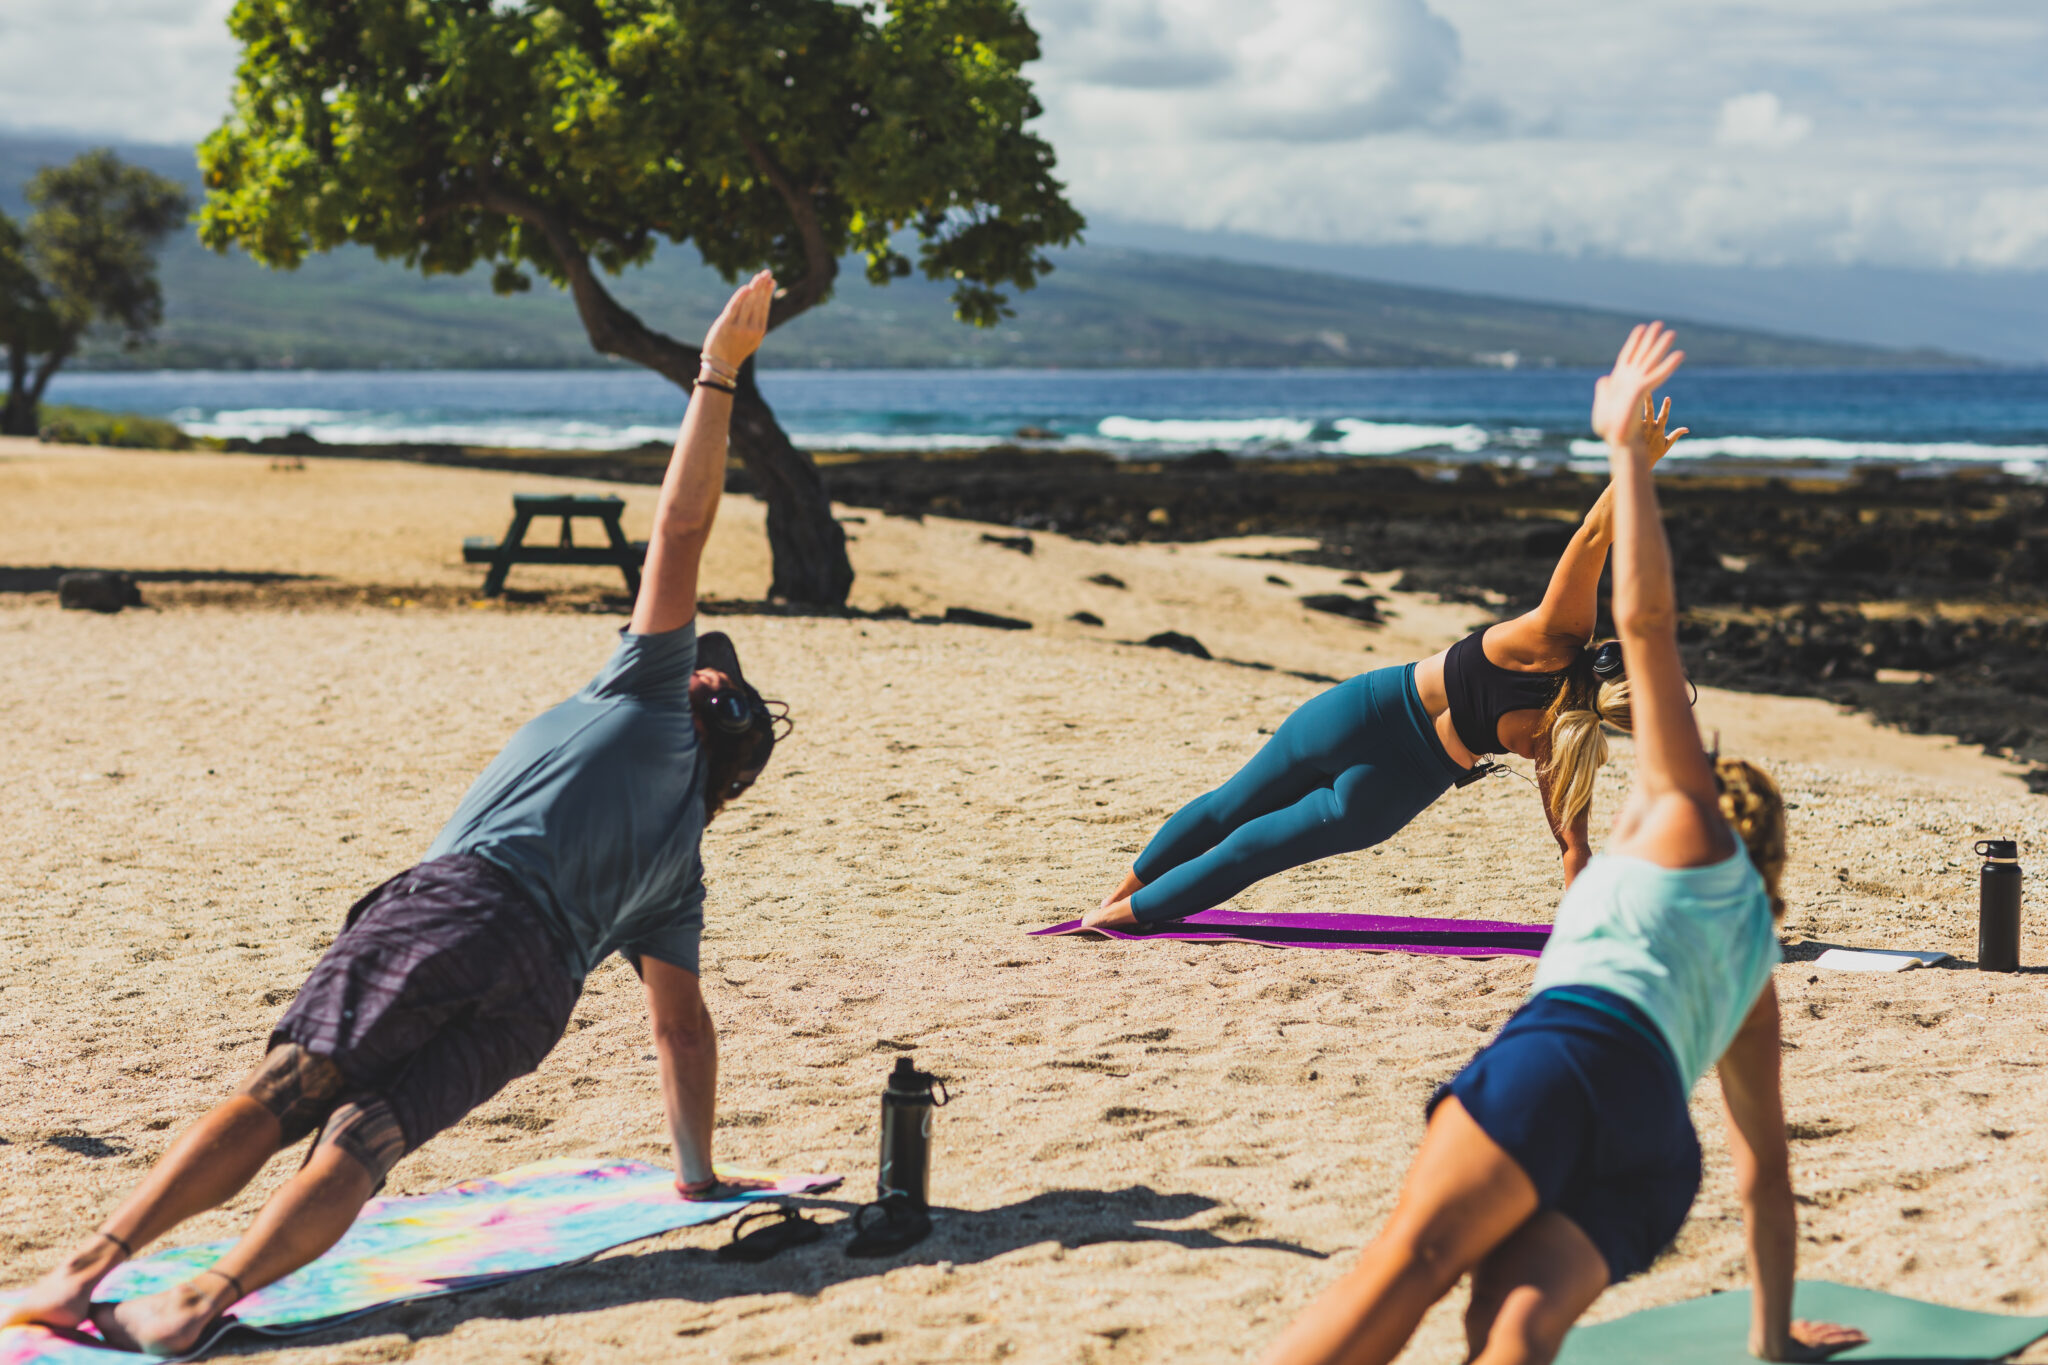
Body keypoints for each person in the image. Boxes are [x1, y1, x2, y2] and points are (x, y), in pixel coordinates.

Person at [4, 272, 789, 1358]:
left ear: (697, 700)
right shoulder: (681, 862)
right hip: (536, 998)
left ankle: (87, 1270)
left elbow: (684, 525)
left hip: (462, 910)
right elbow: (680, 1028)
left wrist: (714, 376)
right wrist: (694, 1173)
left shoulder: (649, 694)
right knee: (362, 1142)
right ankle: (203, 1300)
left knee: (289, 1090)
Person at [1256, 324, 1866, 1365]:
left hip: (1567, 1065)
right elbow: (1763, 1172)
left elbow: (1647, 623)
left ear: (1703, 812)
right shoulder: (1749, 965)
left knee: (1406, 1267)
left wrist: (1623, 457)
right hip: (1651, 1156)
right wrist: (1772, 1346)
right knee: (1512, 1329)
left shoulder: (1678, 822)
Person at [1084, 401, 1689, 931]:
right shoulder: (1566, 742)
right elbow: (1572, 848)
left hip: (1358, 712)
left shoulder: (1555, 633)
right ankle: (1119, 918)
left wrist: (1637, 464)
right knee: (1251, 851)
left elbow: (1592, 537)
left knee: (1227, 806)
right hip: (1392, 788)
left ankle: (1117, 896)